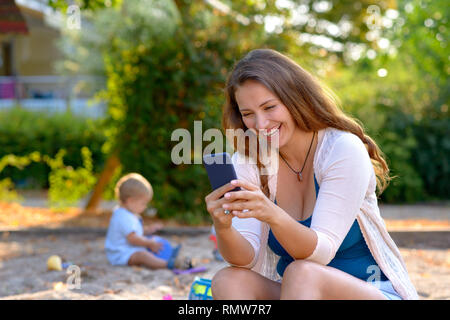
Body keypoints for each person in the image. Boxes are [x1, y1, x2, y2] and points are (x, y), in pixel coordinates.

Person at [205, 49, 418, 300]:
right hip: (298, 294)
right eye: (248, 114)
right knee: (229, 280)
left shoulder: (341, 148)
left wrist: (271, 214)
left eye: (269, 107)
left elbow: (320, 253)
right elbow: (245, 259)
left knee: (302, 272)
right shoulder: (250, 160)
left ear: (295, 98)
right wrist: (224, 226)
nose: (260, 124)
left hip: (371, 291)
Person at [105, 173, 189, 270]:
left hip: (129, 249)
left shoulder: (129, 214)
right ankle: (167, 264)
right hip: (121, 254)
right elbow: (133, 238)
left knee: (152, 239)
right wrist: (149, 243)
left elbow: (135, 233)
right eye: (143, 203)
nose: (145, 207)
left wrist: (148, 230)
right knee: (142, 255)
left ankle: (169, 252)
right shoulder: (123, 217)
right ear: (130, 201)